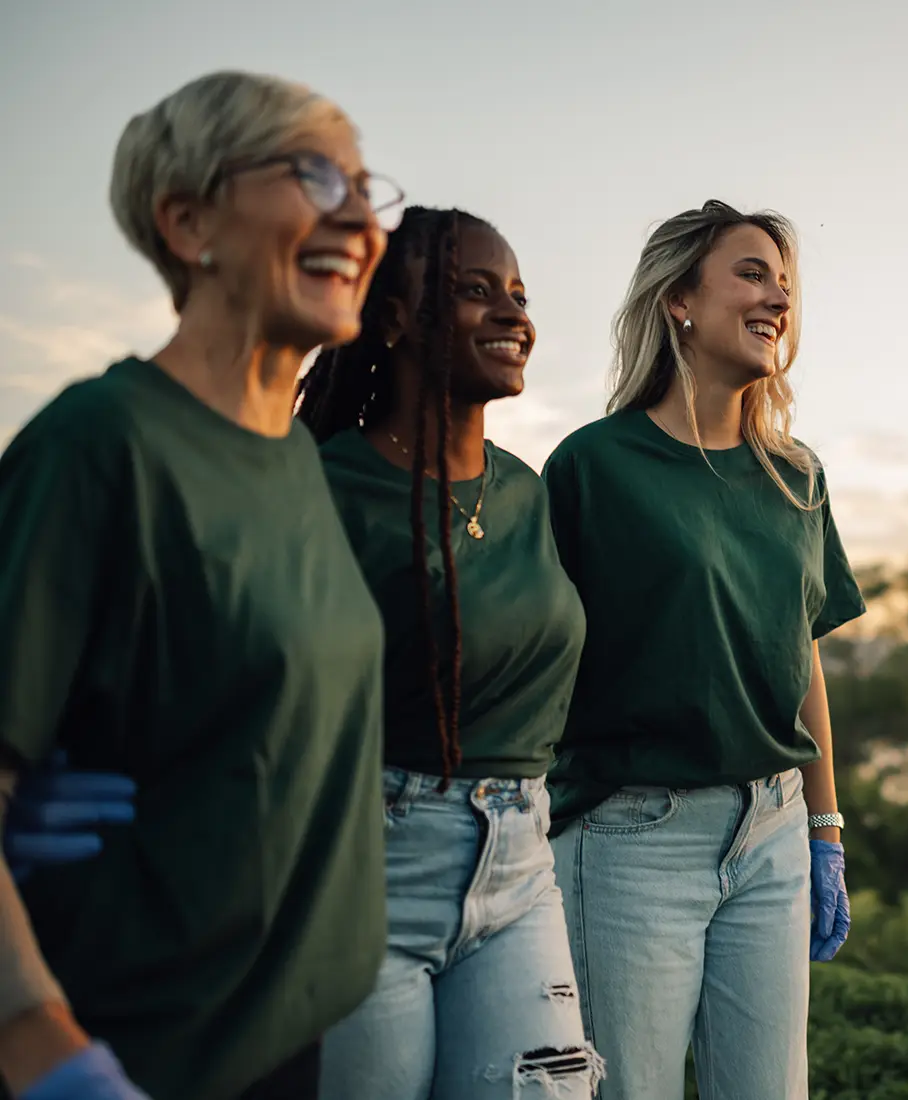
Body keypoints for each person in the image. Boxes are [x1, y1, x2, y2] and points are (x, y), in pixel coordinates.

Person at [0, 70, 403, 1100]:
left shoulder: (298, 463)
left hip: (282, 1041)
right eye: (315, 175)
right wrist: (43, 1046)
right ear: (188, 221)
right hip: (133, 1052)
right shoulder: (103, 443)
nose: (359, 218)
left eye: (366, 188)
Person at [542, 200, 867, 1100]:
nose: (777, 300)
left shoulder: (795, 475)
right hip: (630, 842)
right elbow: (535, 659)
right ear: (679, 298)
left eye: (786, 284)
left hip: (770, 837)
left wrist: (823, 826)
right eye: (752, 274)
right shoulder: (593, 467)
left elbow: (798, 656)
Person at [295, 206, 602, 1100]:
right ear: (392, 320)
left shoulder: (524, 492)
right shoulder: (326, 488)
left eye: (518, 295)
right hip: (369, 865)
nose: (514, 315)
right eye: (476, 293)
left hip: (520, 862)